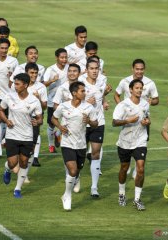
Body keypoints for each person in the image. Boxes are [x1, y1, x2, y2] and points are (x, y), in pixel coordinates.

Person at [51, 81, 98, 211]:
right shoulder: (63, 106)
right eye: (82, 91)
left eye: (84, 90)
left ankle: (76, 179)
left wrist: (89, 121)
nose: (85, 93)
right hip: (67, 143)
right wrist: (60, 127)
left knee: (77, 171)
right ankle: (67, 195)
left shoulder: (89, 107)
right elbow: (53, 118)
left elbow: (95, 123)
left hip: (81, 144)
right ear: (74, 93)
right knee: (72, 170)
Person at [0, 73, 42, 198]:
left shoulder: (34, 100)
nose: (14, 86)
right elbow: (0, 110)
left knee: (23, 162)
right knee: (13, 163)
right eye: (14, 83)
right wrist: (6, 120)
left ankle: (17, 189)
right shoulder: (9, 96)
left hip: (27, 136)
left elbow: (40, 119)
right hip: (12, 135)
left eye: (17, 84)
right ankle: (7, 169)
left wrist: (37, 121)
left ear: (25, 85)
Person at [114, 59, 159, 178]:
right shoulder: (125, 81)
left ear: (144, 69)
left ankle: (136, 166)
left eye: (141, 69)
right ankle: (128, 162)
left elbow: (156, 99)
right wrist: (121, 107)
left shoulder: (150, 83)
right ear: (132, 69)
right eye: (137, 69)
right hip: (129, 119)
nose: (139, 71)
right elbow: (116, 94)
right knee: (128, 138)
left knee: (141, 141)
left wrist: (151, 101)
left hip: (143, 118)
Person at [112, 79, 150, 211]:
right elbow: (114, 122)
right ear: (131, 90)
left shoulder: (145, 104)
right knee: (124, 168)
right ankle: (121, 194)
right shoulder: (122, 105)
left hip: (140, 140)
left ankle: (137, 199)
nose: (139, 90)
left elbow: (146, 118)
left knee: (140, 168)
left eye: (141, 88)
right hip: (125, 141)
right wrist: (128, 120)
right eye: (137, 88)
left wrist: (146, 122)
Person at [79, 59, 109, 197]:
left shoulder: (102, 81)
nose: (95, 71)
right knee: (80, 152)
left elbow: (100, 96)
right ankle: (76, 178)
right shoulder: (80, 83)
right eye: (92, 68)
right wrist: (85, 102)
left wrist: (105, 99)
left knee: (96, 153)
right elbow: (72, 100)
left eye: (97, 68)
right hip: (82, 122)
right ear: (86, 69)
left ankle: (94, 187)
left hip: (98, 122)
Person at [23, 63, 47, 178]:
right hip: (21, 119)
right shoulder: (20, 84)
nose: (34, 75)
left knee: (30, 147)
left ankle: (25, 174)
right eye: (32, 73)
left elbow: (44, 106)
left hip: (35, 120)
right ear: (26, 72)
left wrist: (38, 99)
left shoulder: (41, 87)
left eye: (36, 73)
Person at [43, 48, 68, 153]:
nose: (64, 59)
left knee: (68, 121)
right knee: (51, 123)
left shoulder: (69, 68)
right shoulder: (50, 69)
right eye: (62, 57)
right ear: (57, 58)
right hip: (53, 101)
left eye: (66, 57)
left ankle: (58, 134)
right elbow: (43, 84)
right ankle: (51, 144)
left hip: (67, 101)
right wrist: (52, 80)